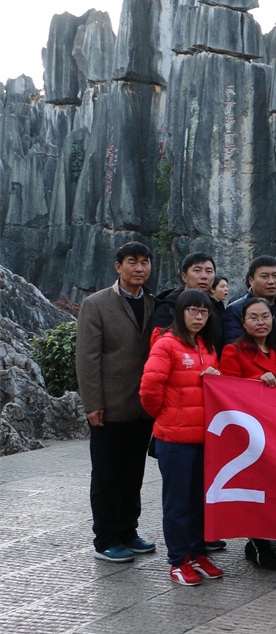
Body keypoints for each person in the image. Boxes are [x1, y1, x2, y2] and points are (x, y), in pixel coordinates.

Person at [76, 241, 159, 563]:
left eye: (144, 262)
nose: (139, 268)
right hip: (108, 406)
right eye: (132, 262)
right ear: (118, 266)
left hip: (142, 406)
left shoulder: (154, 303)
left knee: (133, 473)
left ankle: (128, 531)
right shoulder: (96, 304)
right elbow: (87, 359)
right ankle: (106, 538)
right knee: (106, 475)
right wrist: (92, 403)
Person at [139, 289, 225, 586]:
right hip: (174, 440)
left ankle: (197, 553)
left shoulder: (207, 346)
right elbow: (149, 389)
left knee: (199, 502)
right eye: (193, 311)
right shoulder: (166, 344)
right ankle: (178, 561)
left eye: (204, 312)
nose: (199, 317)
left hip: (203, 439)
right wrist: (167, 416)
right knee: (177, 504)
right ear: (180, 312)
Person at [219, 296, 276, 572]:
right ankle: (261, 545)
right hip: (247, 430)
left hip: (274, 427)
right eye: (254, 317)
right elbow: (227, 389)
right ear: (243, 322)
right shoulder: (233, 350)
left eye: (265, 317)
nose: (260, 322)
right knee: (253, 488)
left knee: (272, 486)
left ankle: (257, 542)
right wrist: (256, 382)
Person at [151, 252, 223, 350]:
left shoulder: (216, 307)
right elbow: (160, 345)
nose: (204, 276)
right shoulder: (169, 306)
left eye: (209, 271)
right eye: (197, 270)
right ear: (184, 276)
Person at [223, 256, 276, 344]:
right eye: (264, 276)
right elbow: (233, 345)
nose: (271, 281)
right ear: (251, 281)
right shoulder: (236, 309)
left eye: (275, 276)